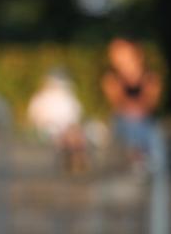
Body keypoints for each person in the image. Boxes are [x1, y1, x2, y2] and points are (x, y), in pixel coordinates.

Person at [101, 38, 162, 170]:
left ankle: (141, 160)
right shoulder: (111, 77)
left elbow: (151, 103)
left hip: (145, 120)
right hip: (123, 121)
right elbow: (117, 102)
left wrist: (137, 108)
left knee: (140, 124)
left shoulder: (150, 76)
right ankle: (141, 159)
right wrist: (133, 108)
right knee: (131, 123)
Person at [27, 68, 88, 174]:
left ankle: (75, 162)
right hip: (48, 130)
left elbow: (75, 117)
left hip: (67, 130)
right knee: (71, 135)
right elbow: (35, 118)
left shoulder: (68, 97)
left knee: (74, 134)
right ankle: (75, 163)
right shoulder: (41, 98)